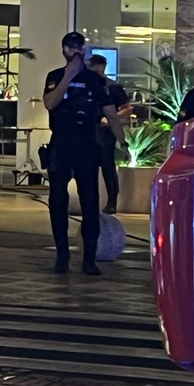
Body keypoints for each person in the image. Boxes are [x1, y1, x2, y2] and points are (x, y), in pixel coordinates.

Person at [43, 32, 123, 275]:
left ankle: (89, 258)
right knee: (57, 201)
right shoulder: (56, 76)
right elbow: (50, 103)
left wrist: (122, 142)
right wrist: (69, 74)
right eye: (71, 48)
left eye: (80, 47)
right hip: (61, 144)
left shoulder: (95, 81)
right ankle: (62, 256)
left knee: (89, 201)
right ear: (64, 50)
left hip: (87, 144)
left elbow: (109, 112)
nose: (76, 51)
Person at [87, 53, 131, 215]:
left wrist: (112, 118)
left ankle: (111, 201)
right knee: (87, 167)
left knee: (107, 167)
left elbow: (127, 108)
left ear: (99, 67)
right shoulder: (87, 85)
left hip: (105, 132)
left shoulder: (112, 87)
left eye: (90, 66)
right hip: (89, 130)